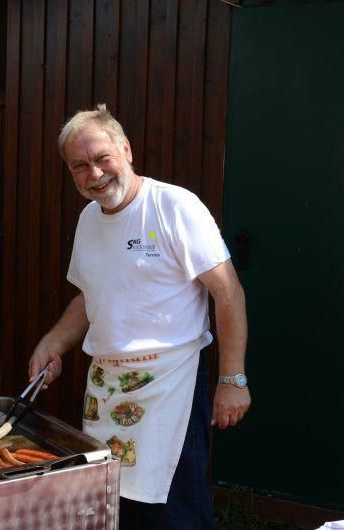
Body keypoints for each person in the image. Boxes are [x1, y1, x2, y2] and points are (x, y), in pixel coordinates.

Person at [28, 104, 250, 529]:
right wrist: (54, 342)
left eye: (101, 158)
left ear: (126, 150)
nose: (94, 174)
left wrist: (232, 379)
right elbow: (91, 297)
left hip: (171, 387)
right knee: (113, 508)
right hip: (107, 391)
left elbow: (228, 293)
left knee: (173, 512)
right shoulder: (89, 219)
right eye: (80, 166)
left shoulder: (174, 207)